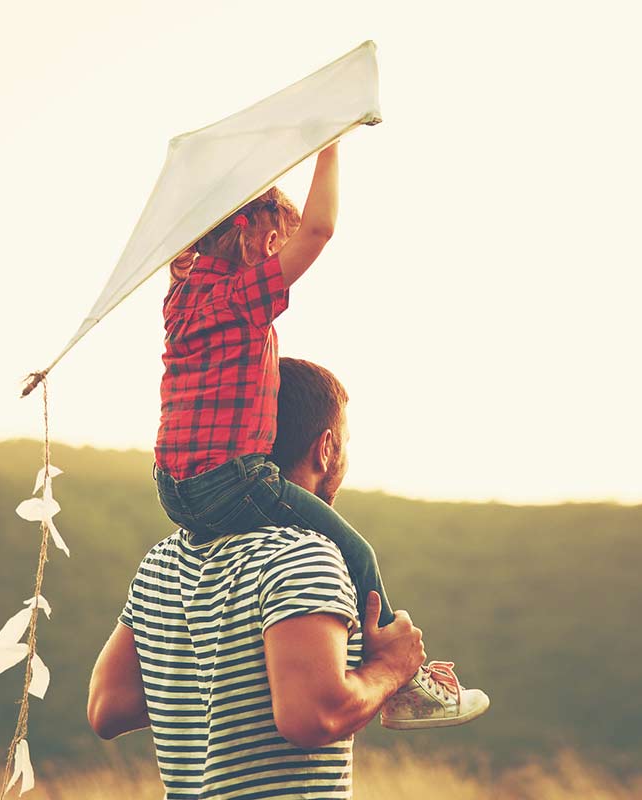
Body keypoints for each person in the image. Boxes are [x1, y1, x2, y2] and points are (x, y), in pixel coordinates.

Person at [150, 143, 484, 724]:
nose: (283, 253)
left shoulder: (181, 292)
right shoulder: (239, 297)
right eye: (276, 241)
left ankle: (303, 653)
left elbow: (274, 228)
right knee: (355, 552)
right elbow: (321, 229)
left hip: (172, 488)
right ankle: (401, 682)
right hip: (231, 480)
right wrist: (328, 143)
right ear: (250, 232)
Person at [88, 358, 490, 798]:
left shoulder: (162, 560)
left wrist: (219, 680)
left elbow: (108, 708)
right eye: (347, 444)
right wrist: (390, 670)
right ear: (326, 447)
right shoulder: (303, 552)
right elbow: (311, 718)